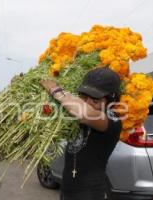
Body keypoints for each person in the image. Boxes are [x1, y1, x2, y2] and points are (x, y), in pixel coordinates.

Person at [40, 67, 122, 200]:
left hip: (90, 194)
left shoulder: (112, 121)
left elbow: (83, 112)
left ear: (110, 102)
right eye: (84, 97)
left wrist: (55, 90)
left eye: (95, 100)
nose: (88, 103)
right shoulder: (76, 118)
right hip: (67, 192)